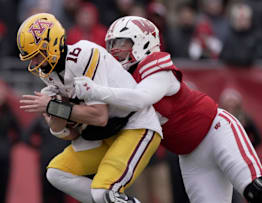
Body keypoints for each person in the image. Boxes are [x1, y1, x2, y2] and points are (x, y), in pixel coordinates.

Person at [74, 16, 262, 203]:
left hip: (216, 131)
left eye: (121, 43)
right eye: (111, 45)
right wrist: (69, 112)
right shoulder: (117, 85)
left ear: (143, 41)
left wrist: (94, 91)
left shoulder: (157, 68)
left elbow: (140, 98)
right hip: (190, 155)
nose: (114, 51)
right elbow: (106, 124)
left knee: (257, 192)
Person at [17, 13, 163, 203]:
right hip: (105, 134)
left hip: (135, 126)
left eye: (37, 55)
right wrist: (54, 113)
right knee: (56, 173)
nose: (34, 63)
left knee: (102, 191)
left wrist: (53, 107)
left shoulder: (83, 55)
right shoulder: (50, 75)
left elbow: (99, 116)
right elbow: (70, 134)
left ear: (51, 45)